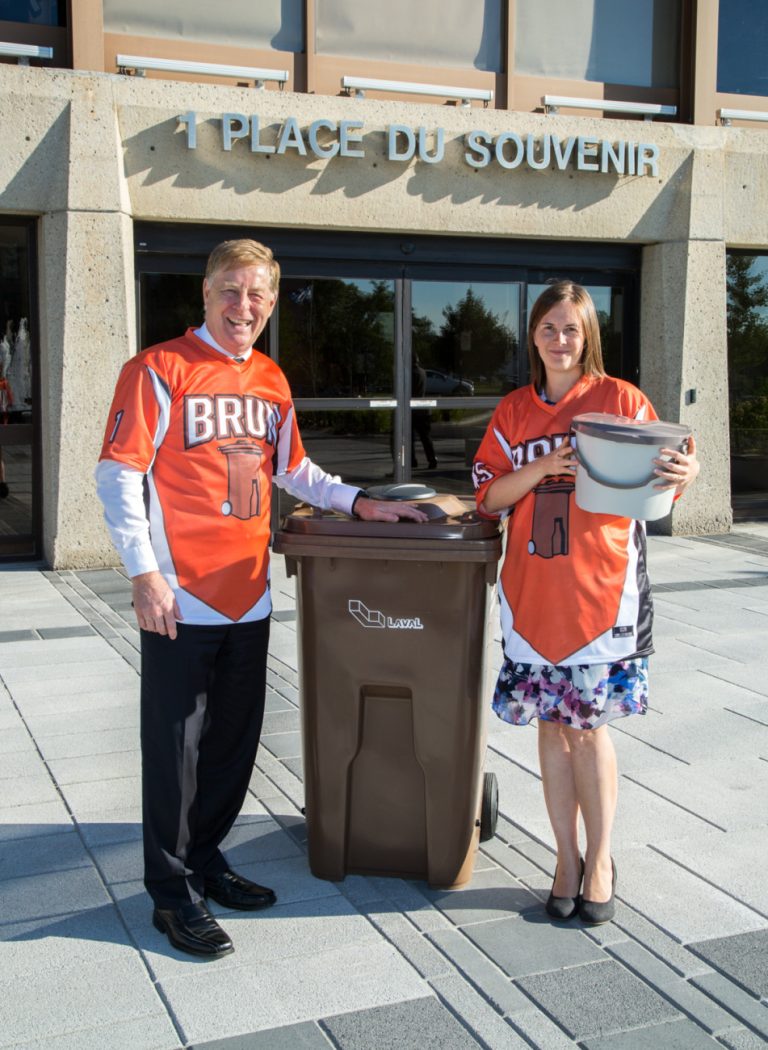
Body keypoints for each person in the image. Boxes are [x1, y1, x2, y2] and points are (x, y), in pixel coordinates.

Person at [95, 238, 427, 959]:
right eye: (230, 290)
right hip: (182, 599)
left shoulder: (272, 379)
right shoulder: (157, 369)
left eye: (257, 295)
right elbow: (119, 474)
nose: (243, 306)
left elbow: (294, 469)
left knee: (232, 747)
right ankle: (171, 893)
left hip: (248, 599)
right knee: (175, 752)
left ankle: (207, 860)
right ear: (205, 293)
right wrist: (144, 573)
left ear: (272, 303)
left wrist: (360, 503)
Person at [473, 281, 699, 925]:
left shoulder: (619, 401)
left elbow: (668, 478)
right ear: (533, 334)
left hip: (601, 597)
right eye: (549, 327)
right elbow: (489, 497)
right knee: (552, 727)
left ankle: (599, 860)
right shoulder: (515, 411)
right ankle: (563, 859)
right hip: (532, 597)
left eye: (571, 328)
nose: (560, 339)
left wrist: (690, 474)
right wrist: (543, 469)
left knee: (587, 728)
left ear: (588, 334)